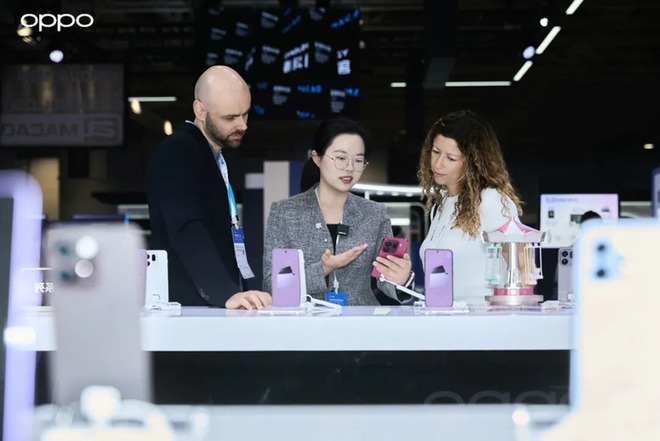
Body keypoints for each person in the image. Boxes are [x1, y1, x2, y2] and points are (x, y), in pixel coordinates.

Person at [147, 66, 272, 310]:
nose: (243, 125)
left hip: (210, 305)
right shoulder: (178, 150)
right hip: (188, 307)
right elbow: (185, 227)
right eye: (230, 118)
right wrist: (224, 292)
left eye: (245, 114)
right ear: (200, 111)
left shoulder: (209, 154)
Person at [263, 118, 414, 306]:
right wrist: (323, 269)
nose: (350, 167)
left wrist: (402, 279)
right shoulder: (285, 212)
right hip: (304, 321)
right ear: (317, 158)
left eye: (358, 160)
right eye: (341, 158)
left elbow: (385, 279)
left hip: (360, 320)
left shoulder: (374, 213)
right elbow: (273, 284)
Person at [418, 110, 523, 305]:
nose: (438, 164)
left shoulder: (491, 200)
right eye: (435, 152)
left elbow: (522, 267)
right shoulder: (442, 205)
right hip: (442, 316)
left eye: (451, 158)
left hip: (482, 318)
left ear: (473, 162)